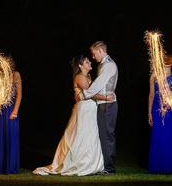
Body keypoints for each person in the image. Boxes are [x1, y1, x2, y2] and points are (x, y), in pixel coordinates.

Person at [33, 55, 112, 176]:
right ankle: (79, 163)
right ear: (80, 65)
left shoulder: (88, 76)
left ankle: (91, 164)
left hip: (90, 109)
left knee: (90, 135)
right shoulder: (80, 77)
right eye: (87, 61)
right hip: (84, 110)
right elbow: (90, 93)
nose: (90, 62)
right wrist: (106, 98)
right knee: (80, 135)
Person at [77, 41, 118, 174]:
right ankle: (104, 165)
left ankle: (109, 168)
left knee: (107, 135)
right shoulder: (104, 64)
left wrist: (84, 95)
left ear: (100, 50)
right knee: (103, 135)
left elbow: (98, 84)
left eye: (94, 54)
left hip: (107, 105)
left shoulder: (109, 65)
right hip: (104, 104)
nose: (93, 57)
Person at [147, 54, 172, 174]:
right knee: (159, 136)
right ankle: (159, 165)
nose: (167, 63)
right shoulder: (154, 76)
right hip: (158, 109)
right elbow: (151, 95)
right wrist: (149, 113)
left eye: (169, 62)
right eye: (165, 61)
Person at [0, 57, 22, 174]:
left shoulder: (15, 75)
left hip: (9, 111)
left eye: (8, 62)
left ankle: (9, 166)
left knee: (8, 137)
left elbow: (19, 94)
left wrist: (15, 111)